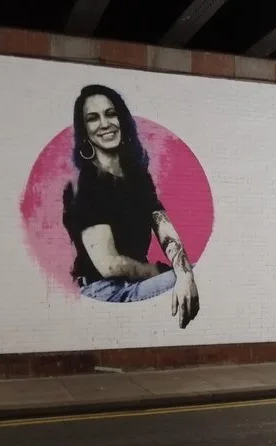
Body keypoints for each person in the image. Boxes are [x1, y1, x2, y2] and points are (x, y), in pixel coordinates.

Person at [61, 84, 199, 329]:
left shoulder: (137, 176)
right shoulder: (86, 186)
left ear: (122, 119)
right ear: (85, 131)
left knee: (196, 275)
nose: (105, 124)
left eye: (110, 114)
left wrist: (183, 272)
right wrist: (161, 271)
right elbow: (110, 265)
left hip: (136, 283)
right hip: (105, 289)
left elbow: (164, 228)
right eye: (93, 118)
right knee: (196, 279)